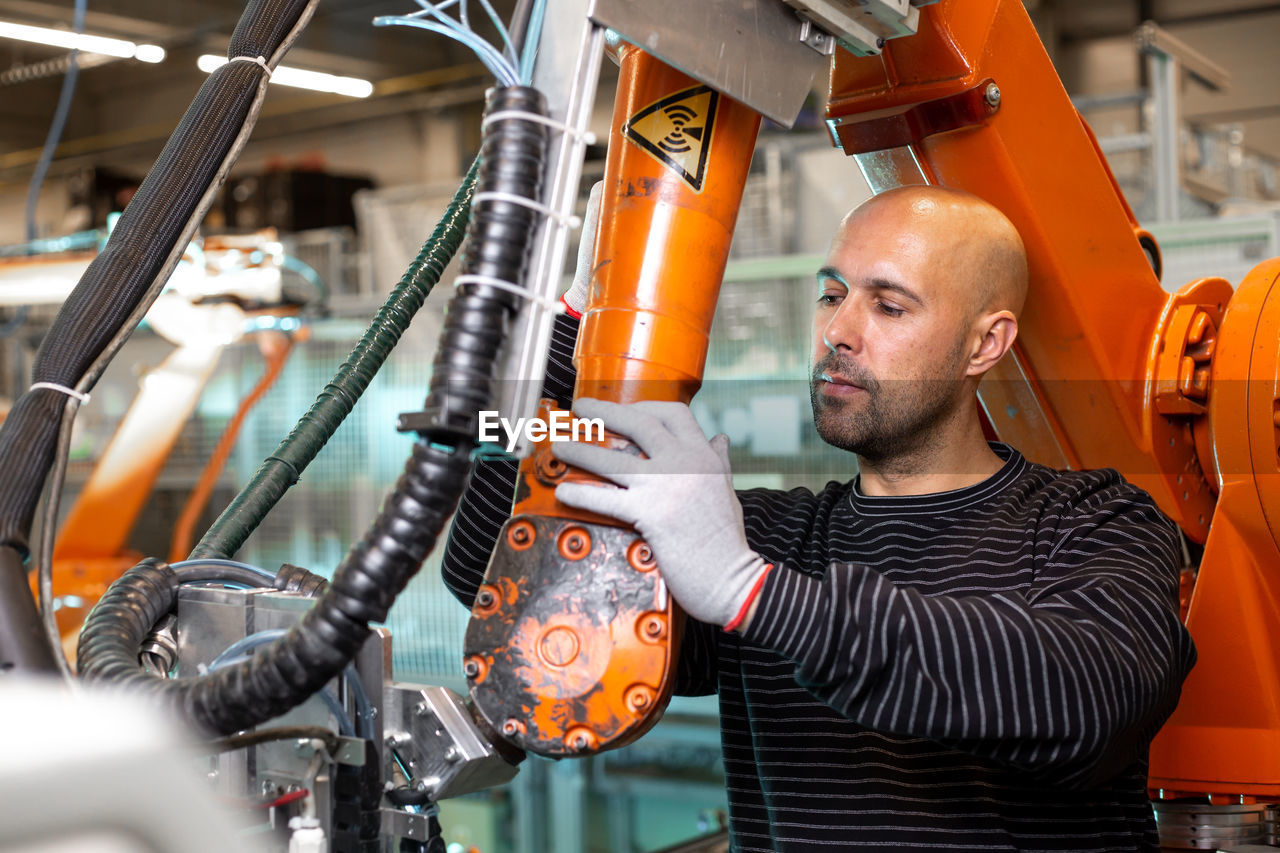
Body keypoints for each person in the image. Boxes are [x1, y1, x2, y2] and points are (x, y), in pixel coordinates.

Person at [442, 185, 1196, 852]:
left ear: (984, 343)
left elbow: (1093, 699)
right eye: (832, 294)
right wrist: (572, 332)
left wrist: (751, 592)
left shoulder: (1096, 523)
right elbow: (502, 583)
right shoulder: (766, 537)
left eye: (889, 304)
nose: (839, 330)